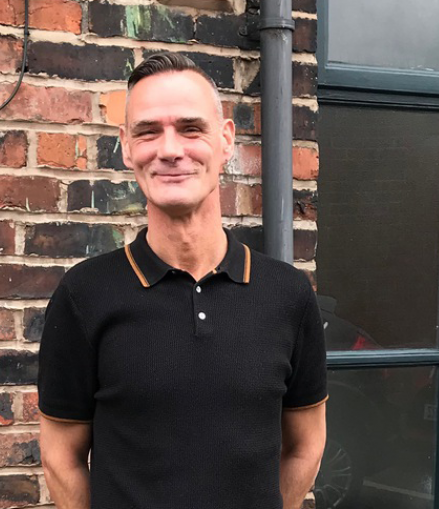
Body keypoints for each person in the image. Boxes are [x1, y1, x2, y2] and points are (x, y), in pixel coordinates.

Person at [37, 52, 327, 509]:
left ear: (226, 139)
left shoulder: (287, 295)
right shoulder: (84, 296)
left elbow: (305, 445)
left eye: (191, 128)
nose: (170, 149)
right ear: (127, 146)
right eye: (148, 131)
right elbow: (60, 456)